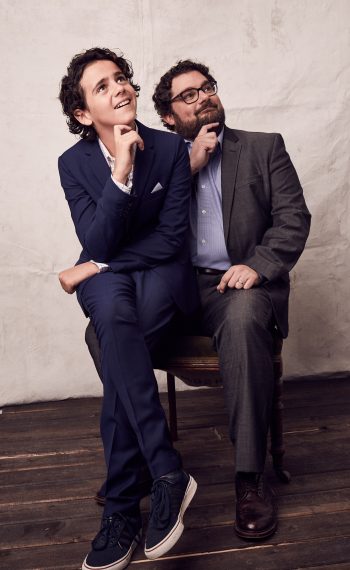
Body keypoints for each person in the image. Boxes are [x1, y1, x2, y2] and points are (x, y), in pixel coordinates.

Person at [152, 60, 311, 540]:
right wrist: (187, 166)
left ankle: (249, 478)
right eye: (189, 95)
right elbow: (139, 230)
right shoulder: (157, 162)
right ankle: (145, 466)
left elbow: (292, 219)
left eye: (208, 88)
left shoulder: (264, 147)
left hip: (237, 285)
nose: (204, 98)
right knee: (104, 331)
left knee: (243, 322)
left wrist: (257, 265)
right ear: (168, 118)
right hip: (176, 289)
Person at [57, 48, 198, 570]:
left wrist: (92, 269)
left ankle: (121, 507)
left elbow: (170, 241)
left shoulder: (170, 149)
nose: (119, 89)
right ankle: (166, 469)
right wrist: (120, 172)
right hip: (110, 278)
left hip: (160, 277)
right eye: (101, 87)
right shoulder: (72, 164)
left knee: (114, 343)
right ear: (82, 114)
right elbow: (96, 238)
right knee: (114, 322)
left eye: (121, 79)